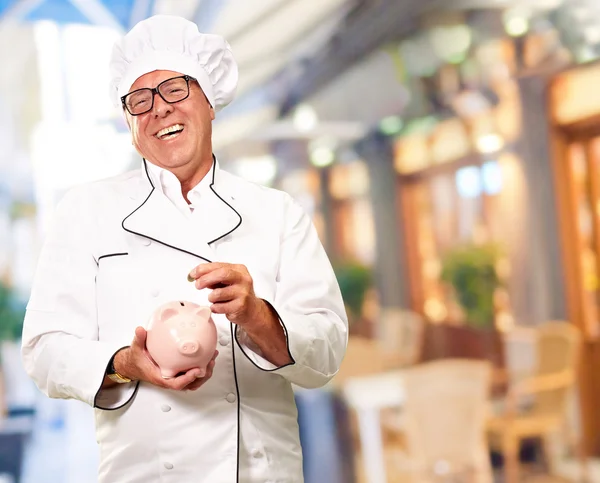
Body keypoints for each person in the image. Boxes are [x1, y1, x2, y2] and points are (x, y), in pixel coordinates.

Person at [21, 14, 348, 483]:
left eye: (176, 88)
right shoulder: (85, 212)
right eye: (140, 100)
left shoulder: (277, 213)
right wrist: (122, 363)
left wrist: (256, 315)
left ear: (210, 102)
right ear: (129, 121)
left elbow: (328, 351)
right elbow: (43, 349)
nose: (159, 109)